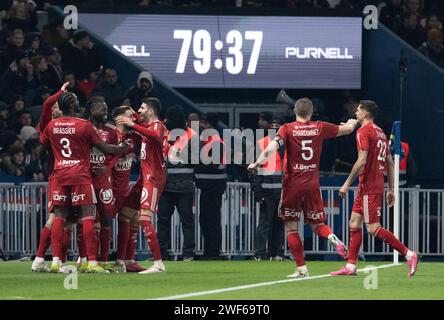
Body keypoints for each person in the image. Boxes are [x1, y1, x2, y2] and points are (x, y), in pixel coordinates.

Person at [248, 98, 357, 278]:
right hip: (312, 184)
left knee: (291, 227)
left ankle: (301, 268)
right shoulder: (320, 127)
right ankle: (331, 237)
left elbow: (271, 148)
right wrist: (353, 121)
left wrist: (257, 163)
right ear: (311, 111)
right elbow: (348, 129)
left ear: (295, 111)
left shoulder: (287, 129)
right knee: (318, 225)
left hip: (292, 185)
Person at [39, 91, 128, 273]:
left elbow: (44, 146)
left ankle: (56, 261)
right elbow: (105, 148)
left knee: (59, 217)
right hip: (80, 174)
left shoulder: (51, 126)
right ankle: (92, 263)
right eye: (77, 101)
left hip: (60, 174)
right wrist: (123, 149)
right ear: (72, 106)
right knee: (87, 216)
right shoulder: (84, 126)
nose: (79, 103)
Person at [331, 100, 419, 277]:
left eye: (358, 110)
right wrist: (391, 188)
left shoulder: (364, 132)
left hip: (369, 185)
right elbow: (389, 161)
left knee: (372, 228)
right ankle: (350, 266)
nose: (355, 112)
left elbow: (362, 160)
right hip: (372, 184)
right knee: (354, 222)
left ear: (364, 113)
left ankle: (409, 254)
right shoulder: (380, 132)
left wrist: (347, 183)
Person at [116, 97, 168, 274]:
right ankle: (125, 260)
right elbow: (145, 130)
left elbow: (154, 135)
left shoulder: (158, 126)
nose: (139, 110)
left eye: (142, 107)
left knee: (144, 218)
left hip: (153, 178)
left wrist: (132, 124)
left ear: (151, 111)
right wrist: (134, 120)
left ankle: (158, 264)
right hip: (143, 178)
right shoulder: (147, 127)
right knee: (125, 214)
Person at [157, 105, 197, 261]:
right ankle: (163, 254)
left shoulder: (190, 135)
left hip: (181, 186)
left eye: (167, 119)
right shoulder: (166, 133)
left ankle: (187, 254)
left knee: (183, 222)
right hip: (171, 185)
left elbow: (197, 160)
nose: (165, 121)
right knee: (167, 221)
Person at [111, 106, 145, 273]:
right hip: (108, 190)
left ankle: (127, 259)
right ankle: (92, 260)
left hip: (124, 189)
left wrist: (137, 118)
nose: (133, 118)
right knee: (98, 225)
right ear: (119, 119)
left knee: (134, 217)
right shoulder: (110, 135)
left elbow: (149, 133)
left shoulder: (133, 137)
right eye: (130, 116)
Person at [87, 99, 119, 271]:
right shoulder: (84, 128)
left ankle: (105, 260)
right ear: (92, 110)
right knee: (86, 221)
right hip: (86, 179)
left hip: (104, 181)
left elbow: (117, 153)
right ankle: (85, 259)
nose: (105, 109)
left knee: (107, 220)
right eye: (101, 107)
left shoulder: (112, 131)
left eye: (107, 107)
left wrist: (107, 167)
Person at [251, 113, 285, 261]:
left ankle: (276, 253)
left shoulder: (288, 144)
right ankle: (260, 253)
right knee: (265, 224)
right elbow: (255, 171)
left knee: (279, 224)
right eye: (273, 126)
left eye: (278, 126)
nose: (275, 128)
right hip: (267, 191)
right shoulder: (262, 143)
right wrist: (257, 190)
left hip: (282, 192)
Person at [195, 113, 227, 260]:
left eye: (204, 123)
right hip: (209, 186)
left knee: (211, 220)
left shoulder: (215, 142)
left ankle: (213, 252)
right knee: (206, 220)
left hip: (213, 186)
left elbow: (213, 165)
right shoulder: (210, 141)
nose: (201, 126)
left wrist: (196, 163)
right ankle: (210, 251)